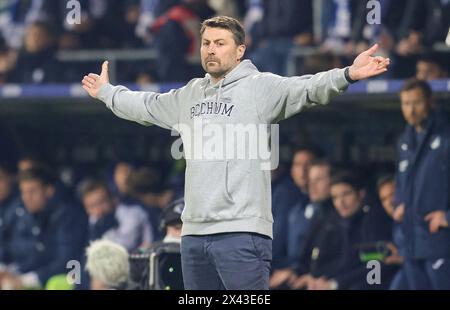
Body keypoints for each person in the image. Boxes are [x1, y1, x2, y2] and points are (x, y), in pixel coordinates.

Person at [81, 16, 390, 290]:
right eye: (205, 43)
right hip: (193, 234)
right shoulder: (189, 94)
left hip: (241, 233)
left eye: (219, 43)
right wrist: (108, 93)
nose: (210, 50)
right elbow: (147, 106)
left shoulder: (259, 88)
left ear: (240, 50)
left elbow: (307, 88)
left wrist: (348, 73)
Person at [395, 78, 450, 290]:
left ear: (431, 102)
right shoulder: (404, 140)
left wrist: (447, 216)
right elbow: (401, 181)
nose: (411, 110)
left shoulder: (446, 136)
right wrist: (399, 202)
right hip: (411, 243)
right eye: (406, 104)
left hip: (440, 242)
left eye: (416, 103)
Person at [0, 166, 87, 290]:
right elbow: (41, 254)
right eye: (23, 192)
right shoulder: (40, 213)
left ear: (48, 191)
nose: (26, 198)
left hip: (78, 277)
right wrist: (14, 271)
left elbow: (68, 261)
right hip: (49, 274)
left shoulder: (67, 214)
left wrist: (28, 279)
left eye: (32, 191)